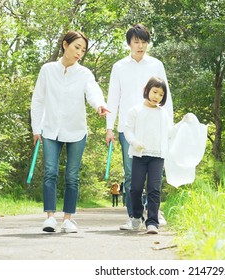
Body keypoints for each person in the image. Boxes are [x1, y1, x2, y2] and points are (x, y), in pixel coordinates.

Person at [31, 31, 109, 233]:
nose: (79, 53)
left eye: (83, 50)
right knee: (50, 172)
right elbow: (38, 100)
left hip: (76, 130)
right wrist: (36, 128)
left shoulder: (84, 73)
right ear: (65, 45)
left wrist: (99, 105)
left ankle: (68, 219)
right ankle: (50, 218)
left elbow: (93, 91)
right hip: (49, 129)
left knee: (72, 176)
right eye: (76, 47)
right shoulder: (47, 70)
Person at [106, 24, 173, 230]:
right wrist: (109, 127)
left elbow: (167, 97)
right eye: (136, 41)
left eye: (144, 42)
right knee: (131, 175)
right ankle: (134, 217)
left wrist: (170, 126)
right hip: (129, 128)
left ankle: (153, 214)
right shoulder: (119, 67)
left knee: (154, 174)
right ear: (129, 43)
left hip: (155, 127)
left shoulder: (156, 64)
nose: (140, 46)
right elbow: (113, 97)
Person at [124, 77, 172, 234]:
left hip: (157, 156)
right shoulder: (136, 111)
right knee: (135, 189)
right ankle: (136, 217)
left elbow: (169, 133)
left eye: (161, 94)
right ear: (147, 90)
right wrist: (134, 142)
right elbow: (128, 130)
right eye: (155, 92)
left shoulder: (163, 113)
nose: (156, 96)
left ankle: (152, 222)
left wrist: (185, 124)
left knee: (153, 189)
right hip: (139, 155)